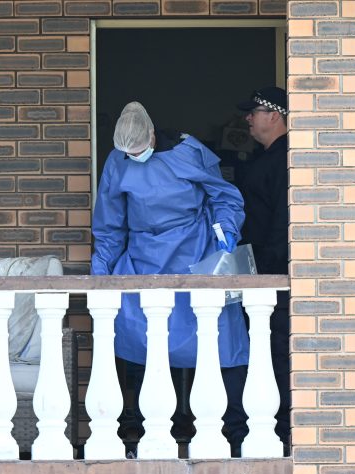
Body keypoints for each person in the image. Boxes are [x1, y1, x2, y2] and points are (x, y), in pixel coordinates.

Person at [91, 102, 250, 455]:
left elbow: (223, 196)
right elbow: (110, 224)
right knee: (132, 332)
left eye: (138, 149)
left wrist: (225, 230)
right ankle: (137, 426)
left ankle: (232, 431)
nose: (134, 156)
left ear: (151, 135)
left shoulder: (188, 151)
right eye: (128, 153)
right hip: (143, 255)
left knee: (217, 338)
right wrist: (100, 271)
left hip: (191, 251)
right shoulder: (117, 162)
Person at [235, 87, 290, 449]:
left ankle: (283, 431)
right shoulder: (262, 158)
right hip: (257, 274)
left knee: (279, 354)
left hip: (274, 277)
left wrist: (266, 270)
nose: (248, 119)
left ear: (274, 115)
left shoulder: (287, 160)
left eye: (253, 112)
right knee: (260, 352)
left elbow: (283, 223)